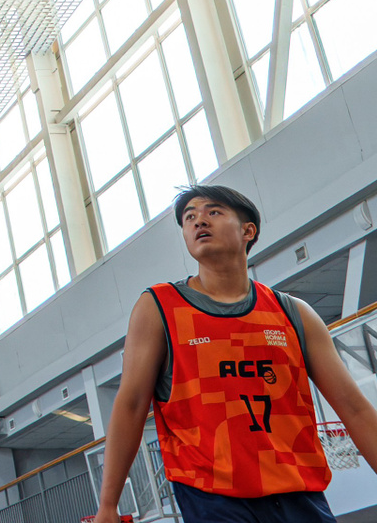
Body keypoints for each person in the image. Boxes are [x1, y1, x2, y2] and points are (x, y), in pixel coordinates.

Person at [90, 185, 377, 523]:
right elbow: (131, 403)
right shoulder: (159, 308)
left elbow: (353, 407)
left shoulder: (293, 313)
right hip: (213, 498)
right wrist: (108, 504)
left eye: (213, 212)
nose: (199, 221)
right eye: (189, 217)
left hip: (298, 491)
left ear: (247, 231)